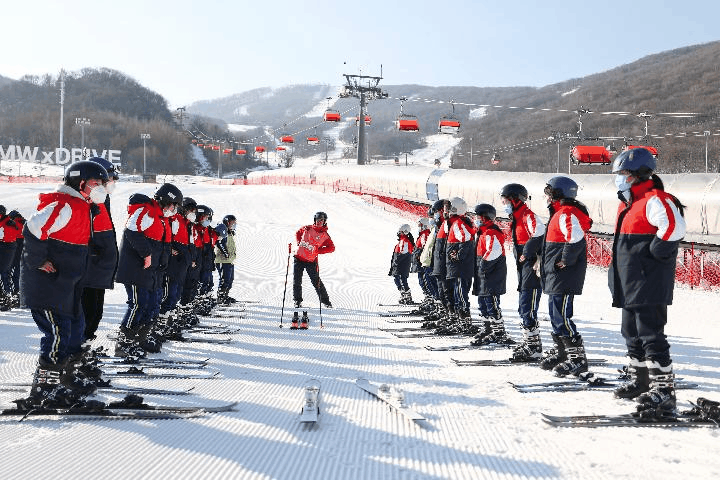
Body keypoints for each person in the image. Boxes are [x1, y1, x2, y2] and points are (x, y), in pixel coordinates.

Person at [16, 160, 109, 408]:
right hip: (48, 284)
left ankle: (67, 377)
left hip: (67, 283)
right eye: (96, 183)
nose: (101, 187)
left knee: (76, 327)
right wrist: (38, 260)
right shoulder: (64, 204)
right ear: (81, 183)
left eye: (102, 183)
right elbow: (33, 228)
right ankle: (44, 389)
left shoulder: (83, 207)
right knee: (57, 333)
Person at [609, 147, 686, 413]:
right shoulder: (627, 204)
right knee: (630, 331)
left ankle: (664, 390)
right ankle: (640, 381)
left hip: (648, 280)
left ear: (639, 174)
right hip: (629, 281)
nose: (619, 178)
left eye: (624, 173)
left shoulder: (655, 200)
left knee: (651, 334)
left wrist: (655, 252)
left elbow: (675, 227)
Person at [114, 183, 180, 358]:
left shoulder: (163, 218)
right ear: (165, 201)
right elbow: (131, 231)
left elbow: (164, 244)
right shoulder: (146, 211)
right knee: (138, 303)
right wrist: (147, 255)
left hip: (153, 271)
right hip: (136, 268)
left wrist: (163, 263)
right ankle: (124, 342)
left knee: (152, 304)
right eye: (173, 205)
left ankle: (140, 338)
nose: (174, 210)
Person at [538, 176, 593, 376]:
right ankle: (563, 352)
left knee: (562, 315)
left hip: (563, 274)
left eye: (548, 193)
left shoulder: (566, 213)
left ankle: (577, 359)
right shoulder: (559, 213)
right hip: (555, 274)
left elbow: (576, 237)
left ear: (558, 193)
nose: (546, 197)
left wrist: (565, 260)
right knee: (555, 314)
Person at [501, 183, 546, 362]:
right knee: (522, 306)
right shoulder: (518, 217)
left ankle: (535, 347)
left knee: (528, 306)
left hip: (532, 267)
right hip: (524, 267)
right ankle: (529, 341)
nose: (504, 204)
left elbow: (540, 234)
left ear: (515, 200)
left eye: (505, 201)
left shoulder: (528, 216)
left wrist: (527, 252)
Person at [80, 157, 120, 343]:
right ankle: (77, 348)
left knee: (96, 311)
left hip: (100, 265)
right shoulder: (84, 200)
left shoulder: (103, 200)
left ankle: (85, 345)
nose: (112, 182)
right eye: (110, 178)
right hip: (89, 265)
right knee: (87, 311)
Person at [470, 204, 512, 346]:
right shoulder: (482, 232)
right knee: (482, 302)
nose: (475, 219)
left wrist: (482, 265)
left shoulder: (491, 232)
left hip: (491, 273)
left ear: (485, 217)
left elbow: (494, 251)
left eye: (477, 217)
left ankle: (499, 332)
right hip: (484, 272)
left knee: (491, 302)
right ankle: (488, 328)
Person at [438, 197, 477, 335]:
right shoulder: (455, 223)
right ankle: (461, 320)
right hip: (456, 267)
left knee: (460, 294)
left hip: (461, 268)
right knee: (457, 293)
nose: (446, 211)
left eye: (448, 208)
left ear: (455, 209)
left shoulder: (458, 223)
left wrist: (458, 255)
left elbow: (466, 240)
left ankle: (465, 321)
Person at [293, 211, 334, 309]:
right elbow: (298, 233)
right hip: (298, 258)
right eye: (318, 219)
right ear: (315, 220)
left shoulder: (325, 235)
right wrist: (299, 242)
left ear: (324, 221)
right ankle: (297, 301)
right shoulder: (307, 228)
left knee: (316, 282)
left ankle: (326, 302)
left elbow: (331, 248)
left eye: (322, 220)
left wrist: (318, 251)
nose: (319, 222)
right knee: (297, 281)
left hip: (311, 262)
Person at [389, 224, 415, 305]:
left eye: (400, 232)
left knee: (400, 279)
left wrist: (396, 264)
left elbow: (402, 254)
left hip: (401, 265)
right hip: (400, 265)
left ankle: (406, 294)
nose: (399, 233)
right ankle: (404, 294)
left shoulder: (404, 241)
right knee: (400, 279)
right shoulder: (402, 241)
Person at [215, 214, 237, 305]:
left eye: (234, 223)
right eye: (232, 223)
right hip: (222, 260)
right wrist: (226, 253)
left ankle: (225, 295)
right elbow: (219, 243)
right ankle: (221, 297)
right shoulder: (223, 231)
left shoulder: (230, 233)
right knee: (224, 279)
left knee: (230, 279)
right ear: (227, 222)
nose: (233, 225)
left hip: (229, 261)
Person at [0, 205, 19, 310]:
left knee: (3, 272)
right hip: (8, 247)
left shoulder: (7, 223)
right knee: (5, 273)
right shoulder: (7, 222)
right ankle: (7, 298)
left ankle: (7, 299)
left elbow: (8, 236)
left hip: (7, 248)